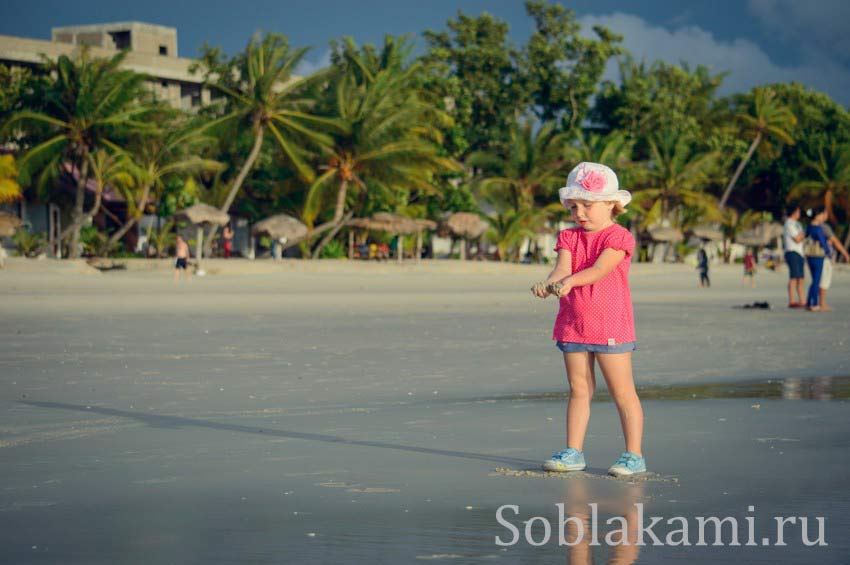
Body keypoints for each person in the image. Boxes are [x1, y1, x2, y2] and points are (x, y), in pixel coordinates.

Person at [530, 161, 645, 477]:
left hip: (610, 325)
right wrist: (550, 284)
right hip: (574, 324)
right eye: (574, 205)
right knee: (579, 389)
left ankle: (633, 454)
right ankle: (573, 451)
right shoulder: (568, 237)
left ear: (612, 204)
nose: (579, 212)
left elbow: (599, 270)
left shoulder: (619, 238)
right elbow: (562, 270)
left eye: (587, 205)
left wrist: (570, 282)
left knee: (622, 391)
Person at [818, 220, 850, 311]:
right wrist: (845, 254)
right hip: (825, 257)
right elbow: (835, 241)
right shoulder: (824, 227)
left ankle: (818, 302)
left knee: (819, 280)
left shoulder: (812, 227)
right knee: (824, 280)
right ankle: (822, 303)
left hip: (816, 257)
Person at [804, 207, 831, 311]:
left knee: (814, 280)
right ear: (817, 215)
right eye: (821, 214)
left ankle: (809, 301)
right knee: (816, 280)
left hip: (809, 256)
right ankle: (814, 303)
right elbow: (823, 243)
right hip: (818, 256)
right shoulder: (818, 228)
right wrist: (829, 253)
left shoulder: (809, 227)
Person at [782, 204, 805, 307]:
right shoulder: (789, 223)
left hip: (800, 252)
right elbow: (797, 238)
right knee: (793, 277)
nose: (799, 213)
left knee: (801, 278)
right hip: (792, 252)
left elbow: (801, 236)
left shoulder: (798, 224)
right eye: (798, 211)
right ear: (795, 212)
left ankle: (802, 300)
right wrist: (804, 234)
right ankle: (792, 300)